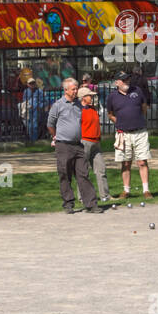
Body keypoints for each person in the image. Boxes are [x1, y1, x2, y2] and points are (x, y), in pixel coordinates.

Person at [46, 77, 101, 215]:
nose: (76, 91)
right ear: (65, 90)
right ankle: (68, 203)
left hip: (78, 145)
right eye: (73, 89)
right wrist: (55, 136)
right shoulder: (58, 105)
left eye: (76, 88)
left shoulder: (78, 104)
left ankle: (91, 204)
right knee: (65, 174)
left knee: (83, 174)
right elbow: (50, 124)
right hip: (63, 145)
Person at [107, 73, 152, 199]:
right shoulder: (112, 96)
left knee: (142, 161)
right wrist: (120, 121)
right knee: (125, 163)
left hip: (140, 132)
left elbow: (144, 107)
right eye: (123, 80)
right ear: (117, 83)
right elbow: (110, 114)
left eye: (127, 79)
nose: (127, 81)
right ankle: (126, 190)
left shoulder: (137, 91)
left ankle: (146, 190)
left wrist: (138, 119)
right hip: (123, 133)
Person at [77, 86, 113, 204]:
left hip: (96, 142)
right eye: (90, 96)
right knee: (83, 171)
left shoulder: (93, 109)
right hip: (84, 142)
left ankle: (105, 195)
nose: (92, 97)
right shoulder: (78, 110)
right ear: (83, 98)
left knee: (101, 169)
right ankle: (82, 197)